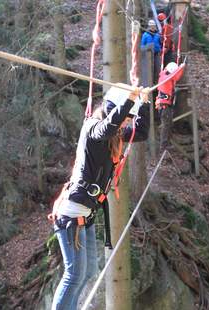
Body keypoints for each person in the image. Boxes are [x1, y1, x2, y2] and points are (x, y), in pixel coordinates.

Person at [49, 85, 150, 310]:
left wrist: (143, 103)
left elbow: (140, 132)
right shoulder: (93, 128)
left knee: (87, 273)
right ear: (113, 109)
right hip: (72, 212)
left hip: (87, 214)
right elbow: (108, 126)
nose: (126, 123)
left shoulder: (114, 134)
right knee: (74, 274)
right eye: (125, 118)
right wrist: (130, 100)